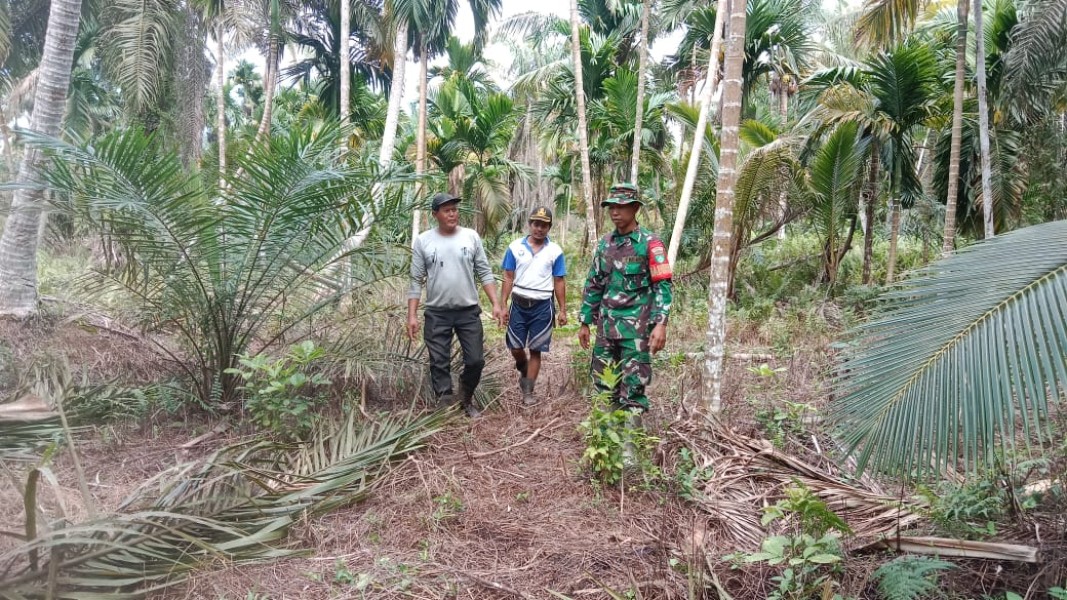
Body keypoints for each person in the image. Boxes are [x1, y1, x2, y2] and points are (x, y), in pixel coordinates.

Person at [578, 182, 672, 421]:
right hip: (606, 329)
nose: (614, 212)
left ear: (635, 209)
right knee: (602, 387)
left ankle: (630, 449)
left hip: (636, 333)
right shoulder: (605, 244)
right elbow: (594, 283)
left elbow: (663, 285)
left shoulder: (651, 244)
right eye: (611, 207)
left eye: (621, 206)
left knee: (632, 389)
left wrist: (661, 324)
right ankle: (603, 442)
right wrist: (585, 322)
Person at [408, 192, 504, 418]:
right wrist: (411, 315)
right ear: (435, 214)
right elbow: (415, 280)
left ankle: (466, 397)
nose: (453, 214)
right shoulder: (423, 241)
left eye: (455, 209)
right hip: (437, 312)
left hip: (468, 311)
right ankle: (444, 402)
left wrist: (496, 304)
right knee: (439, 361)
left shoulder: (470, 237)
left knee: (475, 360)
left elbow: (484, 271)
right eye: (447, 210)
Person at [499, 206, 567, 406]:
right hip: (519, 304)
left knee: (536, 349)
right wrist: (503, 304)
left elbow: (559, 280)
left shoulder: (555, 251)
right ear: (530, 225)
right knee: (516, 347)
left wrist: (562, 310)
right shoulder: (514, 248)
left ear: (549, 227)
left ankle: (528, 391)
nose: (539, 229)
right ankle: (522, 365)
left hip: (542, 306)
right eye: (536, 224)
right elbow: (508, 276)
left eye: (544, 225)